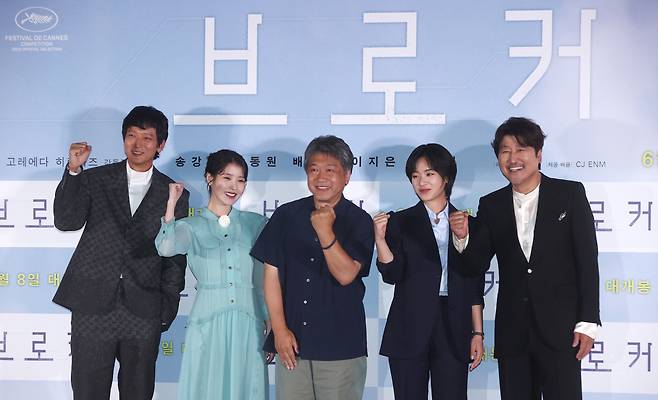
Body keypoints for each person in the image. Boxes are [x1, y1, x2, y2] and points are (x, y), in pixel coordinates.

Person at [449, 117, 600, 400]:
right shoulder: (491, 205)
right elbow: (475, 264)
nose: (513, 158)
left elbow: (587, 263)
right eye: (505, 151)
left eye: (521, 149)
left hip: (561, 331)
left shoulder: (569, 194)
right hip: (513, 332)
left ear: (538, 154)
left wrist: (588, 322)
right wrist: (462, 238)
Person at [53, 105, 189, 399]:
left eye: (147, 138)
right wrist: (74, 171)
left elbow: (175, 257)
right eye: (131, 136)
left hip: (144, 308)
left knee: (138, 393)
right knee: (88, 391)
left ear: (160, 145)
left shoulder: (174, 192)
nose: (137, 145)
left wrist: (166, 307)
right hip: (93, 305)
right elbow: (66, 221)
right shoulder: (95, 179)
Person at [251, 135, 374, 400]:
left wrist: (325, 231)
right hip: (293, 343)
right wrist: (280, 331)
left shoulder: (359, 221)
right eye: (314, 169)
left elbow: (346, 275)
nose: (321, 177)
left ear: (347, 175)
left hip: (340, 346)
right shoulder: (286, 215)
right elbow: (271, 275)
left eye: (331, 170)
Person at [155, 149, 271, 400]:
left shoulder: (256, 224)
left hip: (249, 319)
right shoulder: (190, 225)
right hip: (208, 319)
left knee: (247, 388)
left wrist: (269, 319)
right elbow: (166, 248)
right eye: (227, 178)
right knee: (207, 390)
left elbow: (264, 279)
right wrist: (171, 205)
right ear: (210, 178)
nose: (234, 186)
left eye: (241, 180)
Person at [374, 143, 485, 399]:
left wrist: (477, 332)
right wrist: (380, 240)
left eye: (429, 174)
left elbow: (474, 283)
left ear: (446, 178)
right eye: (415, 175)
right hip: (409, 324)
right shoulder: (399, 222)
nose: (421, 181)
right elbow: (392, 275)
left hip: (453, 323)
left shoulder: (471, 224)